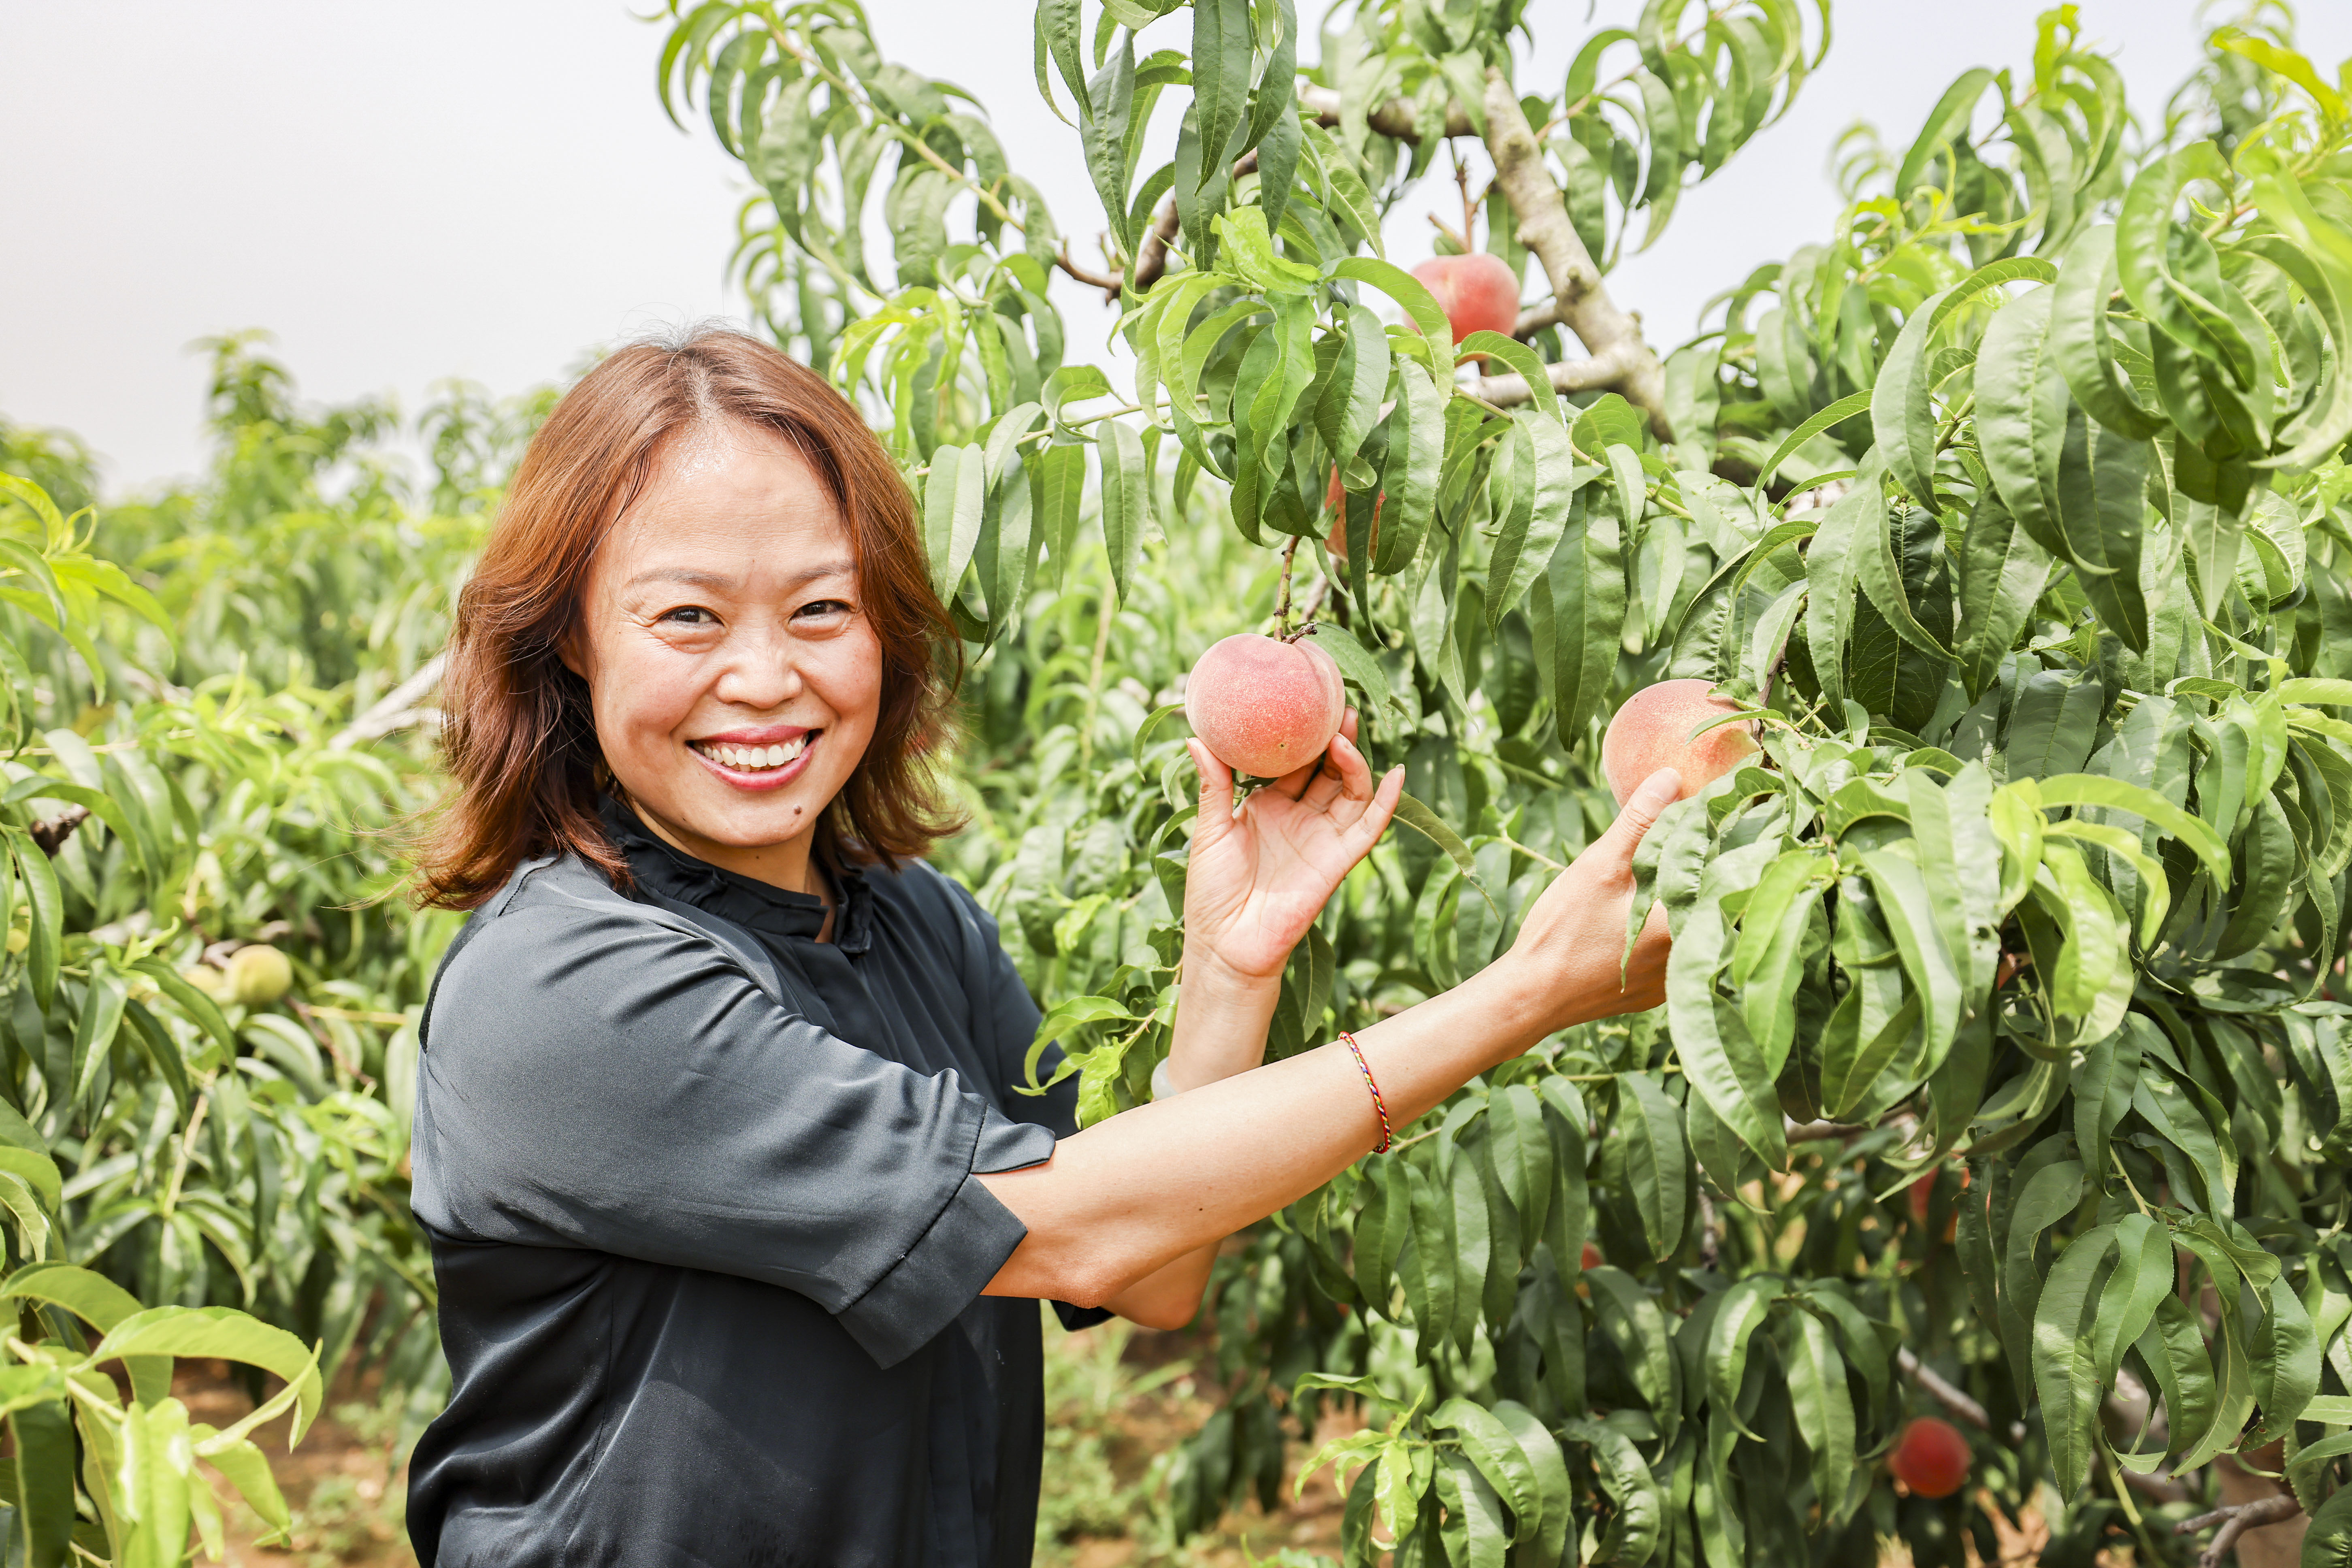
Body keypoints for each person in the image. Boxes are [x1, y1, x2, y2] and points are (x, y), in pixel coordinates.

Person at [403, 326, 1677, 1568]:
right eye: (687, 618)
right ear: (570, 637)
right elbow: (1078, 1232)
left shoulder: (912, 920)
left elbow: (1155, 1277)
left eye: (821, 608)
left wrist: (1228, 975)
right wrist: (1529, 992)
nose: (764, 676)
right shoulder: (563, 989)